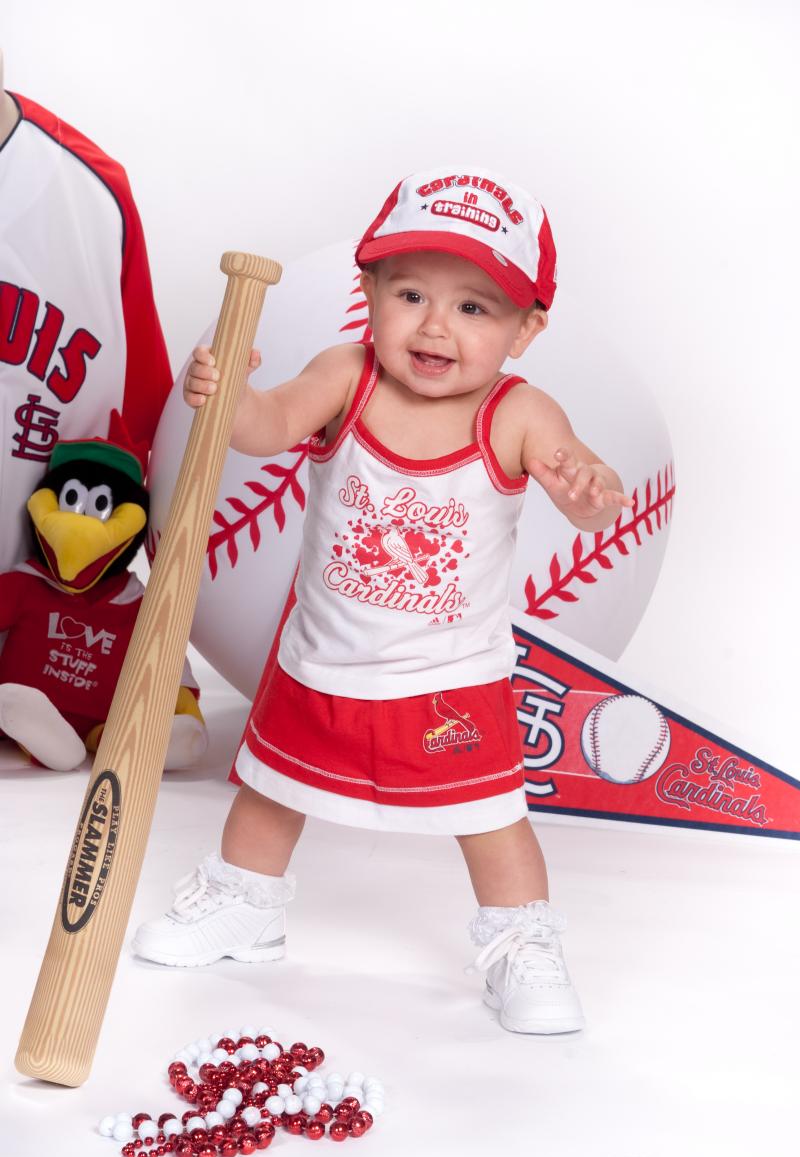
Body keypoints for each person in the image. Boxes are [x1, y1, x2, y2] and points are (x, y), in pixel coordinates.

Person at [133, 167, 633, 1035]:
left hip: (447, 678)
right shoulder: (346, 375)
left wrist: (591, 491)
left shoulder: (517, 414)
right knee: (269, 790)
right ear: (366, 293)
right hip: (322, 658)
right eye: (410, 294)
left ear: (525, 328)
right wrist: (227, 396)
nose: (435, 325)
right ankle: (246, 904)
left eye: (473, 307)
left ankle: (520, 942)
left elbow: (582, 485)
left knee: (491, 820)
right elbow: (266, 425)